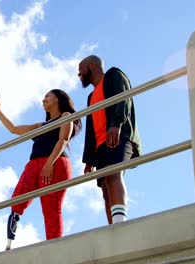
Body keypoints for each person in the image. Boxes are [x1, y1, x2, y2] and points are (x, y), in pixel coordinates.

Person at [0, 89, 81, 249]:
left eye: (48, 96)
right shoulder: (40, 125)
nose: (43, 99)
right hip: (34, 164)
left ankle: (53, 247)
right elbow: (13, 129)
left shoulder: (65, 116)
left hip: (55, 163)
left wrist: (49, 163)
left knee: (51, 207)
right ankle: (9, 240)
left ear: (58, 99)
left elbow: (63, 140)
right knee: (17, 200)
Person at [78, 55, 141, 225]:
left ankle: (120, 222)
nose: (79, 74)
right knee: (105, 188)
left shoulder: (114, 75)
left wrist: (116, 124)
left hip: (117, 135)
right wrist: (89, 159)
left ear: (92, 66)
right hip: (99, 146)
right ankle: (113, 226)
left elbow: (123, 98)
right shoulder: (90, 97)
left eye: (81, 69)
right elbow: (90, 130)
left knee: (114, 174)